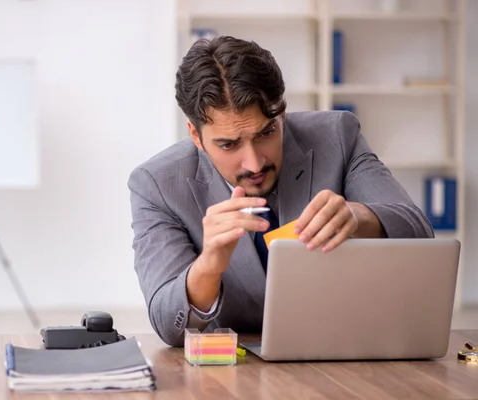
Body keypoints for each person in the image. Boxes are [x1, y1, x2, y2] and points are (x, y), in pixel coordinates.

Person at [127, 36, 434, 347]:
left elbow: (418, 229)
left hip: (344, 350)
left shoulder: (337, 136)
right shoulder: (157, 184)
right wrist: (209, 265)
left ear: (282, 112)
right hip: (233, 373)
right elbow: (169, 325)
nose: (254, 162)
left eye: (266, 132)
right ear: (195, 134)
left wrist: (358, 217)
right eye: (229, 144)